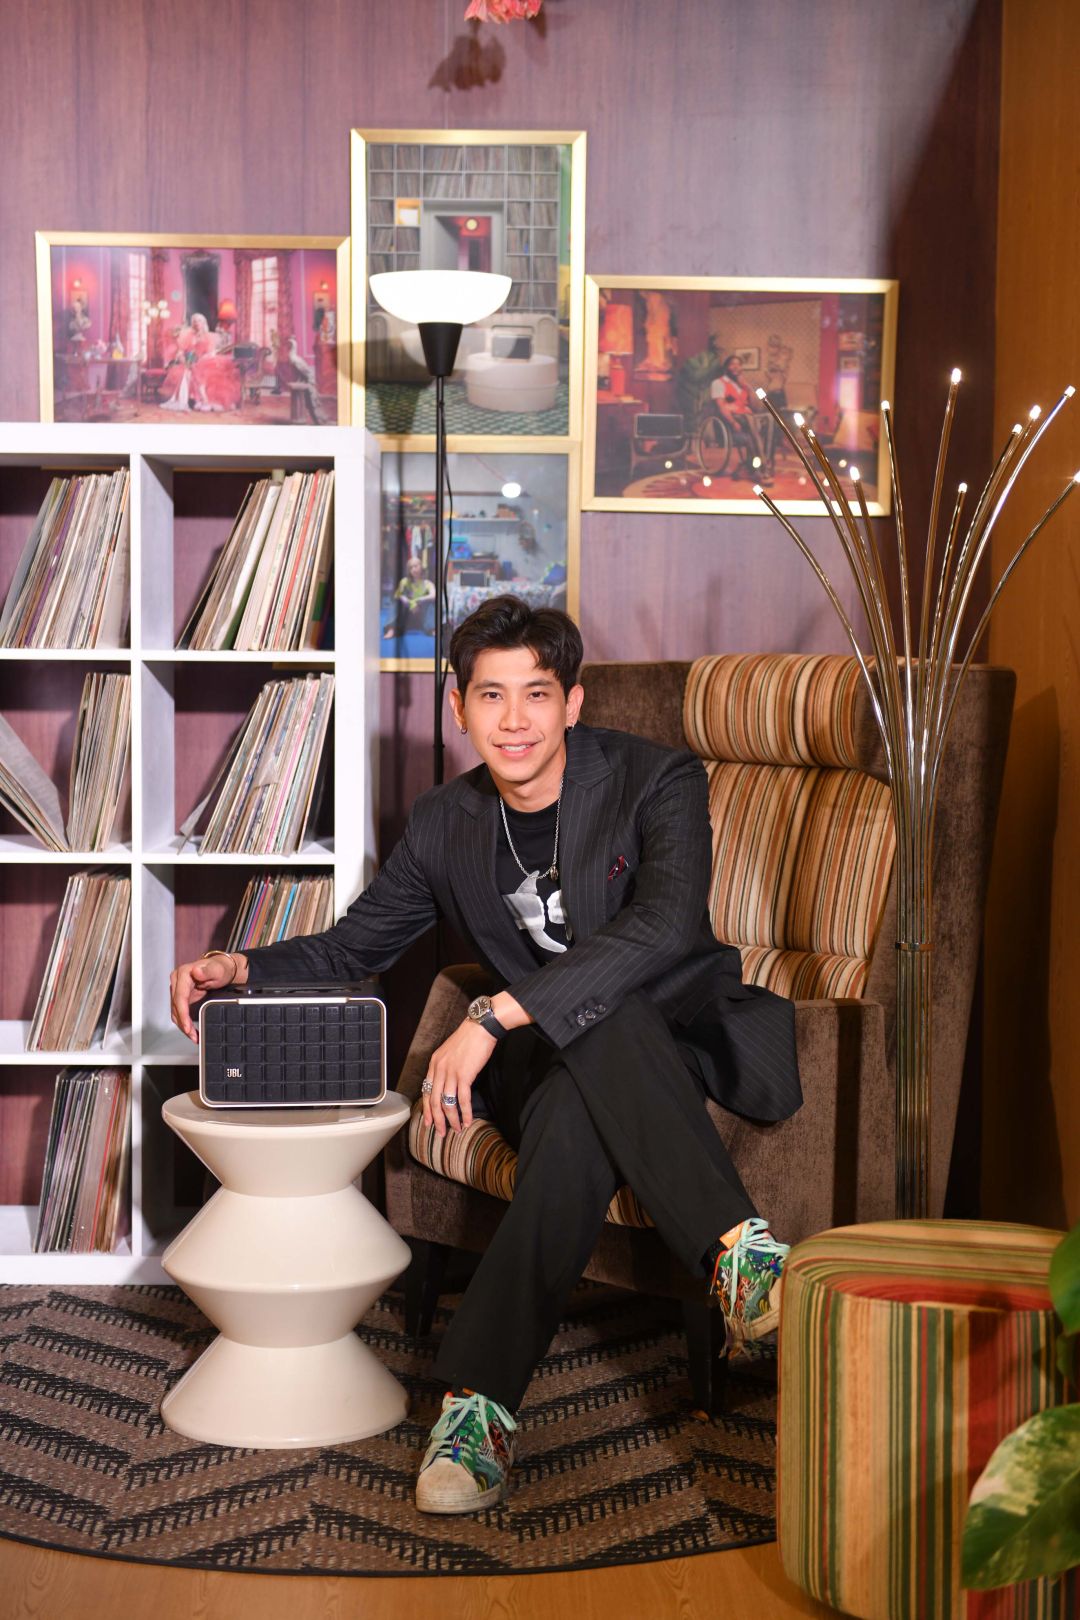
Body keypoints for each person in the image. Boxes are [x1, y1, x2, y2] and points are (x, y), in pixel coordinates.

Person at [169, 596, 801, 1516]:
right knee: (577, 1098)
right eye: (491, 695)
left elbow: (663, 927)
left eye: (537, 694)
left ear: (572, 703)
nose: (514, 720)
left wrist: (493, 1015)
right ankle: (743, 1263)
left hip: (678, 1034)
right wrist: (240, 965)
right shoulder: (444, 821)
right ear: (458, 708)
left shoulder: (656, 779)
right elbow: (356, 947)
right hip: (552, 1063)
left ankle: (477, 1407)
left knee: (606, 1010)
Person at [709, 354, 774, 483]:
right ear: (726, 367)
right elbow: (721, 407)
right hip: (731, 419)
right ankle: (762, 468)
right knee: (750, 422)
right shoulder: (718, 383)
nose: (736, 367)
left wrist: (748, 388)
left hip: (747, 419)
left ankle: (761, 464)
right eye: (732, 364)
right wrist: (733, 422)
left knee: (769, 418)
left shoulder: (742, 385)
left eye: (738, 364)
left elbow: (755, 407)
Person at [382, 555, 437, 641]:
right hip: (407, 616)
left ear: (421, 567)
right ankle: (391, 629)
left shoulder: (427, 583)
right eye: (411, 568)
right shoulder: (404, 582)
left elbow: (433, 595)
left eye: (415, 566)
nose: (413, 569)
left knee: (430, 603)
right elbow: (397, 595)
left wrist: (421, 600)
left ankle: (432, 628)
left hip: (421, 617)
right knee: (397, 601)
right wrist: (403, 598)